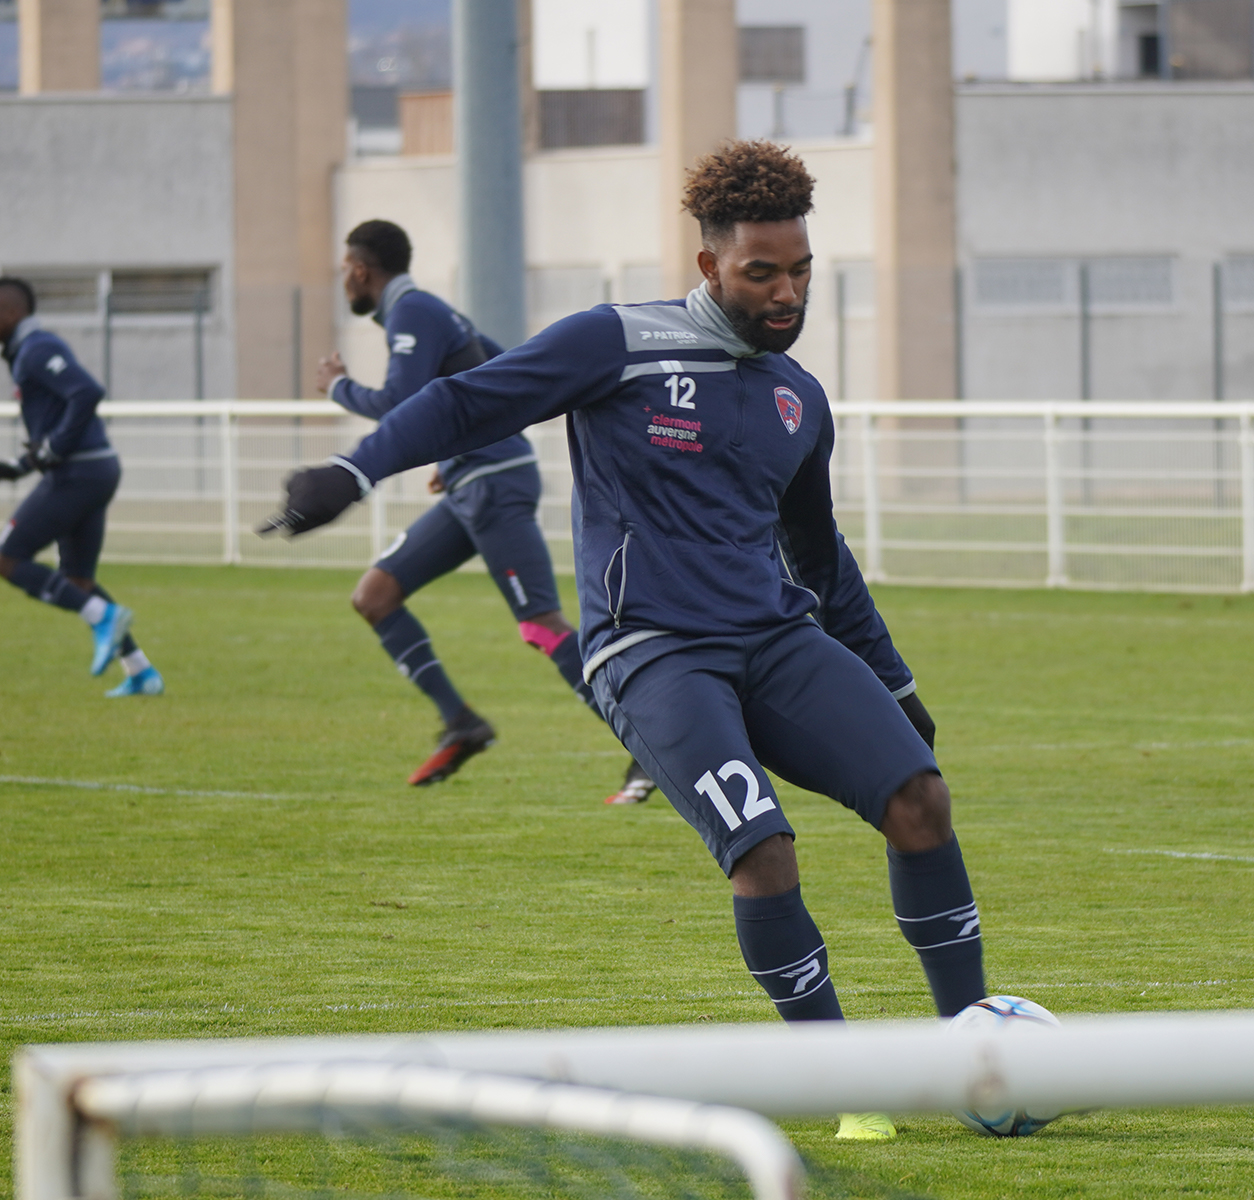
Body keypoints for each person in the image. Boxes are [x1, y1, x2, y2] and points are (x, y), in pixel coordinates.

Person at [264, 143, 985, 1138]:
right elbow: (474, 399)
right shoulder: (617, 342)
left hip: (774, 641)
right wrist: (352, 472)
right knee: (763, 850)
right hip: (649, 653)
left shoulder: (798, 399)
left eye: (802, 269)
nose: (786, 293)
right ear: (709, 268)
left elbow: (820, 558)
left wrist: (894, 685)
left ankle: (978, 1054)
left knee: (920, 800)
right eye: (760, 273)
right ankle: (846, 1080)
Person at [316, 220, 654, 800]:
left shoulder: (414, 311)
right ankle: (462, 722)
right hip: (474, 483)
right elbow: (500, 373)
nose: (344, 278)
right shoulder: (433, 313)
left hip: (493, 485)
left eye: (345, 268)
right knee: (374, 596)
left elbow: (402, 405)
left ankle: (648, 750)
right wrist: (454, 454)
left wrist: (337, 388)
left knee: (541, 625)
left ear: (361, 269)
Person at [0, 276, 163, 696]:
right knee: (78, 580)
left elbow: (87, 392)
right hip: (91, 469)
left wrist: (53, 449)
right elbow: (58, 421)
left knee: (7, 558)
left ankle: (102, 617)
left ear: (11, 312)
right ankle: (141, 673)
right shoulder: (25, 351)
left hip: (79, 473)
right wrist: (20, 466)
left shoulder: (37, 349)